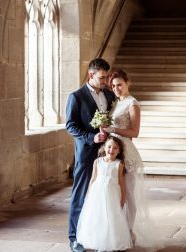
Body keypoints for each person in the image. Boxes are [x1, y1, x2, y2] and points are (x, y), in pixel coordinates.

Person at [102, 68, 160, 250]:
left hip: (127, 154)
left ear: (128, 83)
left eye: (119, 84)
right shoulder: (116, 103)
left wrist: (112, 130)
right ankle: (117, 232)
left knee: (128, 196)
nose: (116, 88)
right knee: (115, 194)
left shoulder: (132, 103)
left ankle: (128, 232)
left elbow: (135, 132)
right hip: (114, 151)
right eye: (113, 86)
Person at [66, 58, 116, 252]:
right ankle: (74, 238)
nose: (105, 82)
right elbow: (70, 125)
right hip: (87, 152)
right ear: (91, 75)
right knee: (80, 194)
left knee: (105, 194)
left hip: (108, 153)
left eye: (106, 77)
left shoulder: (109, 96)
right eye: (102, 78)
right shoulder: (76, 97)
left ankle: (102, 235)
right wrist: (91, 137)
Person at [77, 136, 133, 251]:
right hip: (97, 194)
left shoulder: (119, 164)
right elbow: (93, 179)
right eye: (109, 147)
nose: (111, 150)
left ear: (119, 151)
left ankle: (112, 242)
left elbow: (121, 183)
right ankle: (99, 241)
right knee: (98, 216)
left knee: (112, 217)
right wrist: (88, 193)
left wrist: (123, 197)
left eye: (115, 148)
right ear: (104, 147)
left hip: (112, 194)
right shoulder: (97, 162)